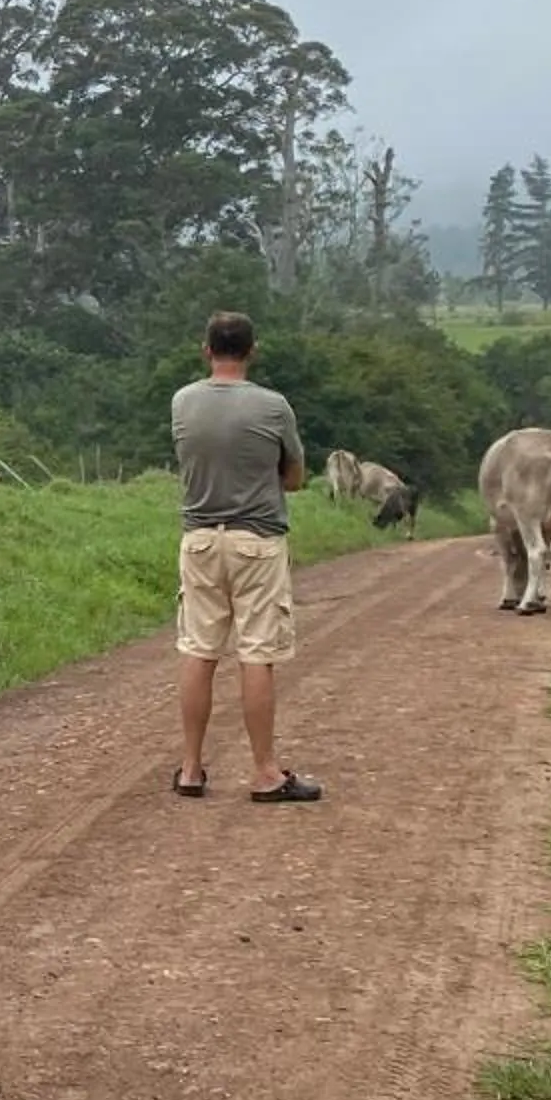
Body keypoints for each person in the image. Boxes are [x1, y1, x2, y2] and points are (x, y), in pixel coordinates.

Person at [169, 311, 322, 804]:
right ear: (252, 350)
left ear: (206, 350)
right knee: (257, 653)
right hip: (257, 540)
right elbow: (295, 477)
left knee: (199, 649)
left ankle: (191, 768)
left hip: (199, 541)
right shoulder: (274, 407)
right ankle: (264, 772)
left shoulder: (183, 401)